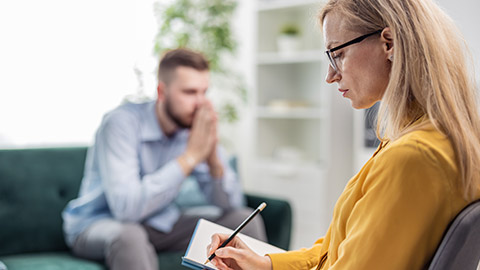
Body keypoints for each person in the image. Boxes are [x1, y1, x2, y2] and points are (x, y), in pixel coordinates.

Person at [206, 0, 480, 269]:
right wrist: (267, 265)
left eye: (337, 54)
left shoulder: (411, 158)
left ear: (389, 44)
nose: (330, 75)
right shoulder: (438, 140)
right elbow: (342, 248)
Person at [62, 48, 266, 270]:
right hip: (98, 224)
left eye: (203, 92)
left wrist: (212, 157)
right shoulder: (120, 124)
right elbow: (126, 209)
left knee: (244, 220)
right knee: (130, 236)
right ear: (162, 92)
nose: (200, 103)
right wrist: (190, 157)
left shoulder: (190, 127)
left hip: (159, 223)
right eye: (189, 92)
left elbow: (231, 204)